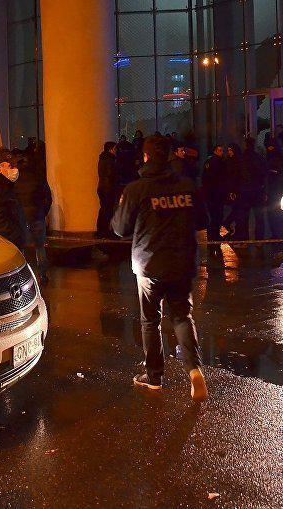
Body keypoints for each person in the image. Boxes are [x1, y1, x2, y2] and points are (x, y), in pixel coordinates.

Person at [111, 135, 209, 402]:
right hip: (182, 262)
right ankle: (194, 370)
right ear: (169, 156)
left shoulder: (136, 189)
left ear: (145, 157)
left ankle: (154, 376)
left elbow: (120, 228)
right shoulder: (187, 186)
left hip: (149, 264)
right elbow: (203, 220)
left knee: (150, 321)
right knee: (182, 317)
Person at [15, 145, 53, 282]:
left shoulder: (15, 179)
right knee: (40, 246)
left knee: (22, 247)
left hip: (22, 217)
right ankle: (42, 274)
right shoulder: (38, 176)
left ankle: (24, 276)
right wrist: (43, 211)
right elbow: (48, 197)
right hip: (37, 215)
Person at [201, 145, 229, 259]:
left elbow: (204, 177)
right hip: (217, 194)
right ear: (215, 151)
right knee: (217, 216)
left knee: (214, 216)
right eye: (220, 150)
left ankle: (212, 237)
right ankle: (214, 236)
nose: (222, 152)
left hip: (211, 194)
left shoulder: (209, 162)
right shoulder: (219, 162)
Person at [96, 141, 119, 238]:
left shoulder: (102, 158)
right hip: (108, 188)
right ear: (111, 149)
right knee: (108, 211)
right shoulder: (110, 160)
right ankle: (106, 232)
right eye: (115, 149)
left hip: (102, 187)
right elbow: (111, 174)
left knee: (103, 209)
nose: (116, 151)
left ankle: (101, 231)